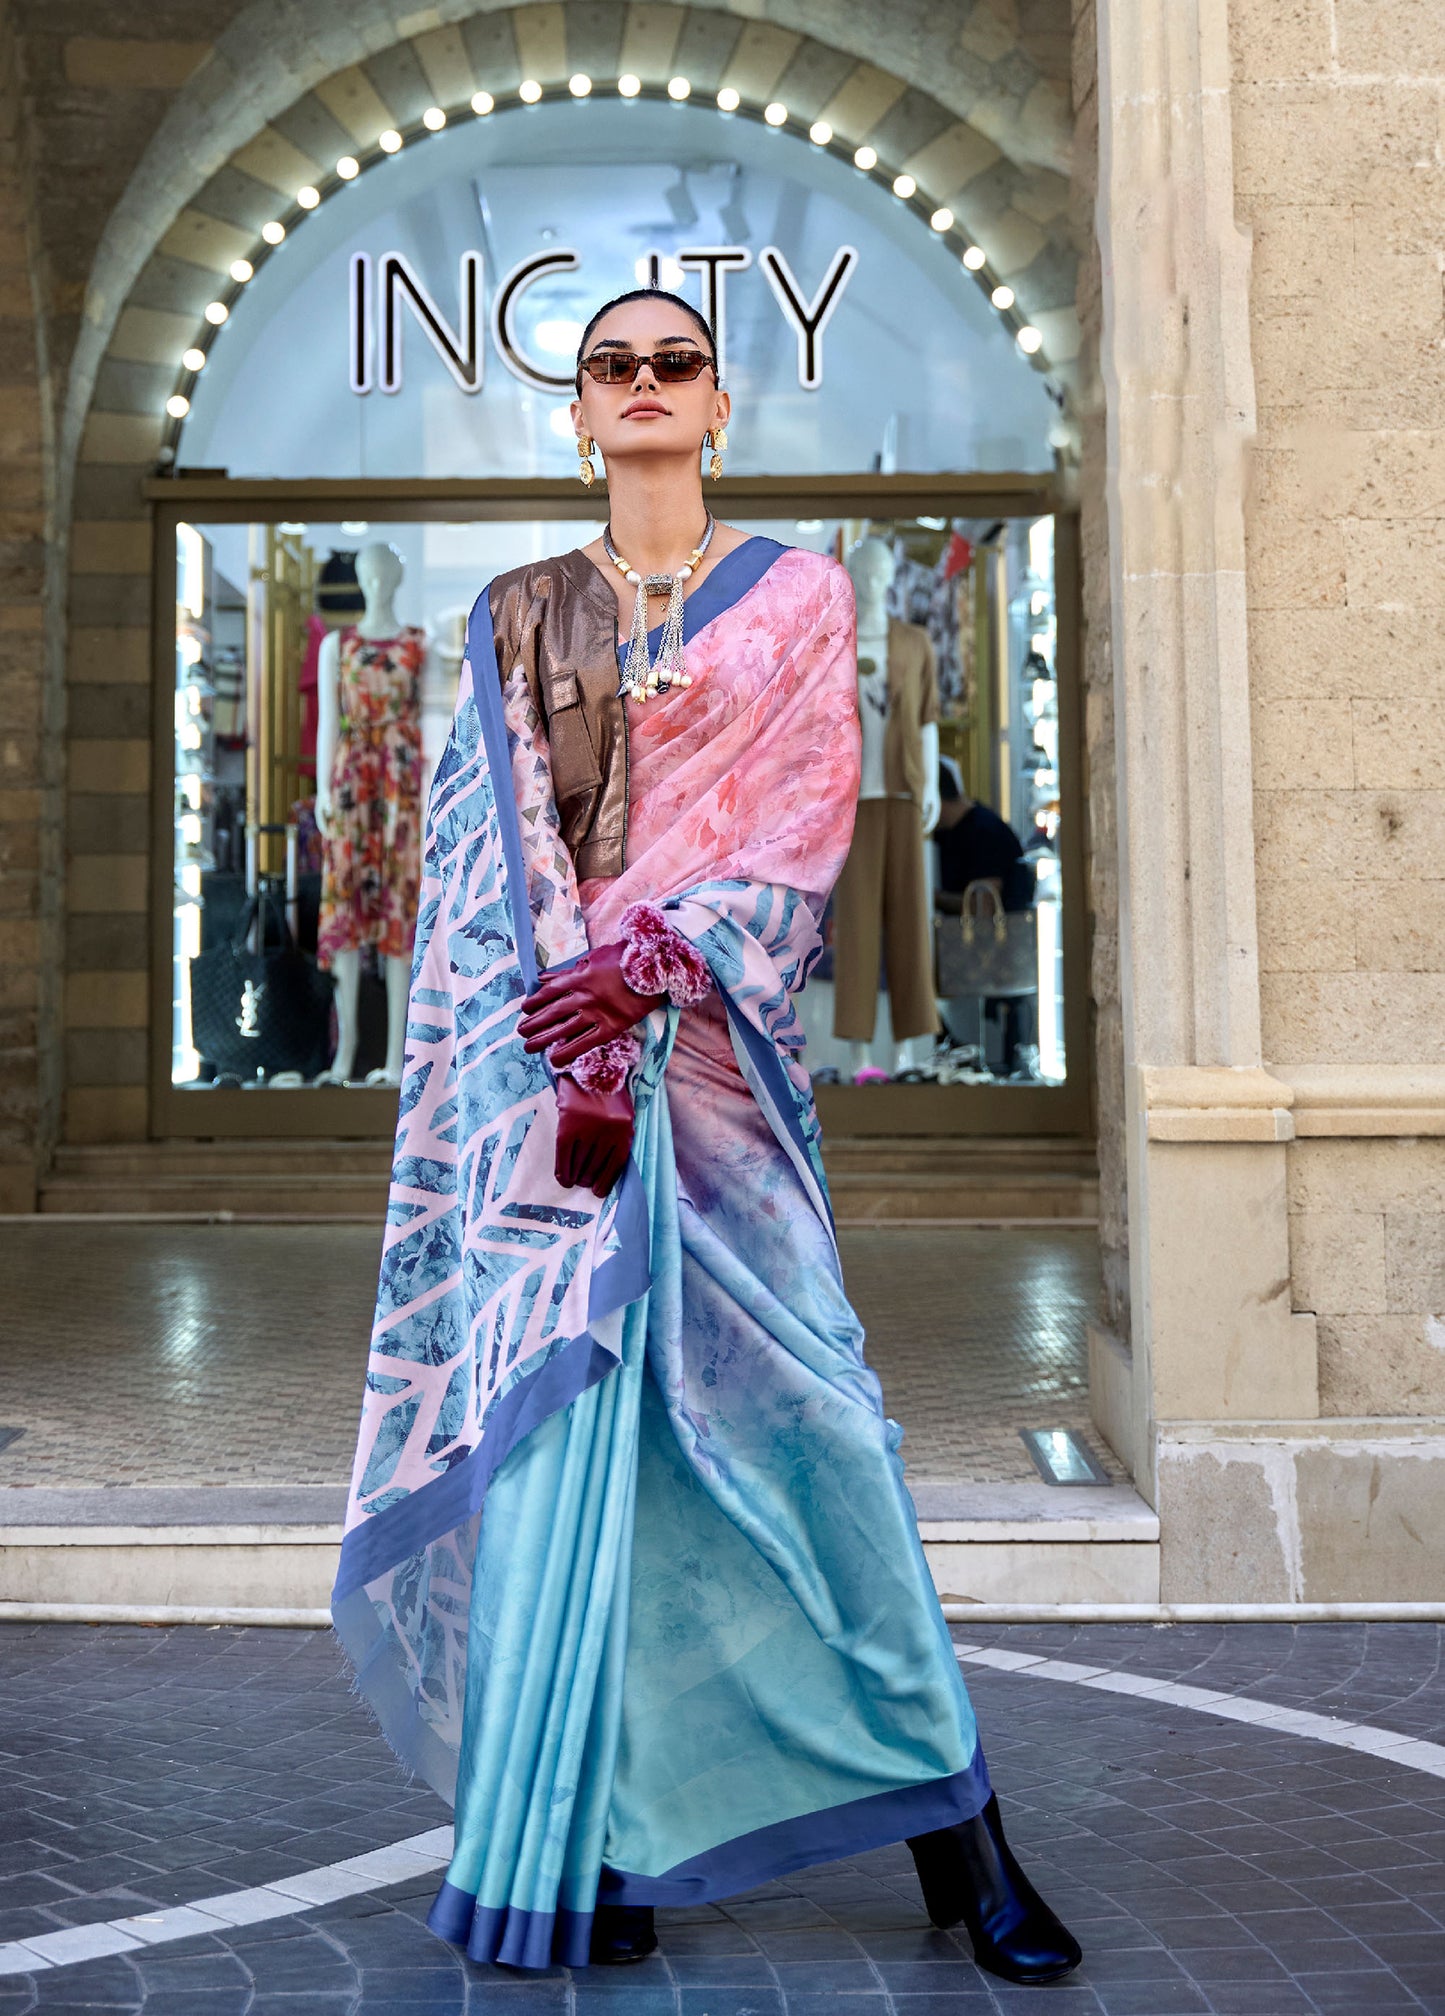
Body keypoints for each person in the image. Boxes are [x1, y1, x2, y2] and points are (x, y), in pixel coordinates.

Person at [331, 288, 1081, 1989]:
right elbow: (484, 863)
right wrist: (577, 1022)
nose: (647, 383)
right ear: (579, 412)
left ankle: (966, 1844)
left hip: (725, 1084)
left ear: (721, 403)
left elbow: (807, 821)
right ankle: (603, 1839)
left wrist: (660, 963)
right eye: (615, 365)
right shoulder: (518, 612)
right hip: (561, 1101)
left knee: (825, 1444)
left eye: (676, 361)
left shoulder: (802, 597)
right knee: (586, 1471)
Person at [932, 762, 1038, 1077]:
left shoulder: (982, 831)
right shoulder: (958, 830)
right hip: (986, 956)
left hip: (992, 952)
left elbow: (982, 906)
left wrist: (932, 898)